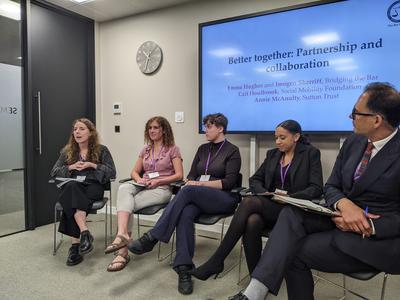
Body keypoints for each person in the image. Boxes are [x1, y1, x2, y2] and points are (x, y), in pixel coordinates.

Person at [229, 82, 400, 300]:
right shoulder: (354, 142)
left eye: (356, 113)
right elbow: (331, 186)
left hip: (374, 238)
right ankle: (255, 293)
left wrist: (368, 225)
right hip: (337, 217)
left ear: (376, 120)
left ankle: (253, 293)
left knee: (292, 252)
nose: (351, 117)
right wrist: (345, 204)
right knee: (292, 212)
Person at [191, 120, 323, 281]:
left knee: (249, 202)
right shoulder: (273, 154)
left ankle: (217, 261)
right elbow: (255, 180)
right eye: (276, 138)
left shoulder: (310, 154)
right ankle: (257, 278)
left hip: (293, 208)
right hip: (272, 204)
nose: (278, 142)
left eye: (282, 138)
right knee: (252, 221)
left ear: (296, 137)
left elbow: (316, 188)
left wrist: (290, 198)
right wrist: (266, 193)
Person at [127, 113, 241, 295]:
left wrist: (198, 184)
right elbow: (191, 176)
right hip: (198, 196)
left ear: (220, 128)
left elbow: (229, 182)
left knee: (187, 190)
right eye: (205, 126)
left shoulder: (232, 150)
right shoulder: (203, 149)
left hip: (223, 197)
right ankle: (184, 268)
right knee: (185, 212)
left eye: (209, 126)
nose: (206, 130)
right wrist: (194, 183)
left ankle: (154, 236)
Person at [104, 116, 183, 272]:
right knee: (124, 188)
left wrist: (159, 181)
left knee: (127, 206)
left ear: (164, 130)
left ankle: (122, 252)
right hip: (143, 185)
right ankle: (122, 234)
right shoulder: (145, 149)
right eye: (150, 128)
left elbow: (179, 175)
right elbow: (134, 171)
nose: (152, 131)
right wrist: (139, 179)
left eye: (156, 127)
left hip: (162, 189)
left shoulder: (173, 149)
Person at [50, 118, 116, 266]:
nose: (77, 132)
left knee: (70, 199)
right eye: (75, 129)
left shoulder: (101, 150)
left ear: (91, 132)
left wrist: (92, 165)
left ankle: (75, 247)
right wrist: (71, 167)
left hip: (93, 187)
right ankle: (84, 233)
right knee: (71, 189)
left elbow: (112, 173)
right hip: (73, 186)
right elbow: (54, 172)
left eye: (81, 129)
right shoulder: (67, 151)